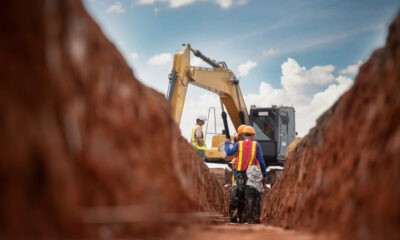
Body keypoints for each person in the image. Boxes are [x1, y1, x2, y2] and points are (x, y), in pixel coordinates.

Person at [225, 126, 267, 224]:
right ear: (253, 135)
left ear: (243, 135)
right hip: (251, 174)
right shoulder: (256, 145)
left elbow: (228, 152)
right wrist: (264, 174)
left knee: (237, 195)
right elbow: (261, 161)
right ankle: (251, 218)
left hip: (240, 174)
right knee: (252, 196)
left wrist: (227, 142)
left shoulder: (238, 144)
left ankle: (236, 217)